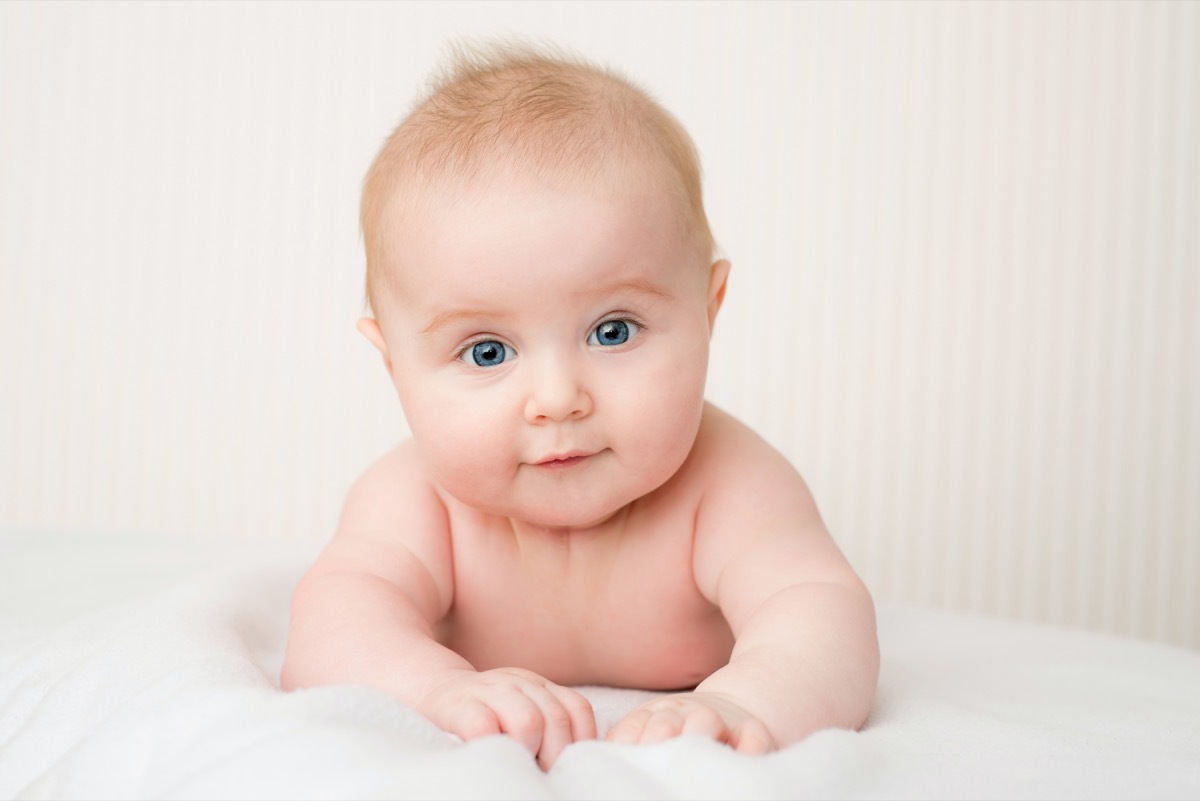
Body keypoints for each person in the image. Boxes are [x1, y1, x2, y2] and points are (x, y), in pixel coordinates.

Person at [280, 40, 879, 771]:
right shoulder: (415, 500)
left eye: (612, 331)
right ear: (393, 363)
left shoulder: (729, 485)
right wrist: (434, 687)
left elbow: (823, 612)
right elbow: (330, 627)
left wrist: (748, 700)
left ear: (708, 308)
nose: (559, 398)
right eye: (488, 352)